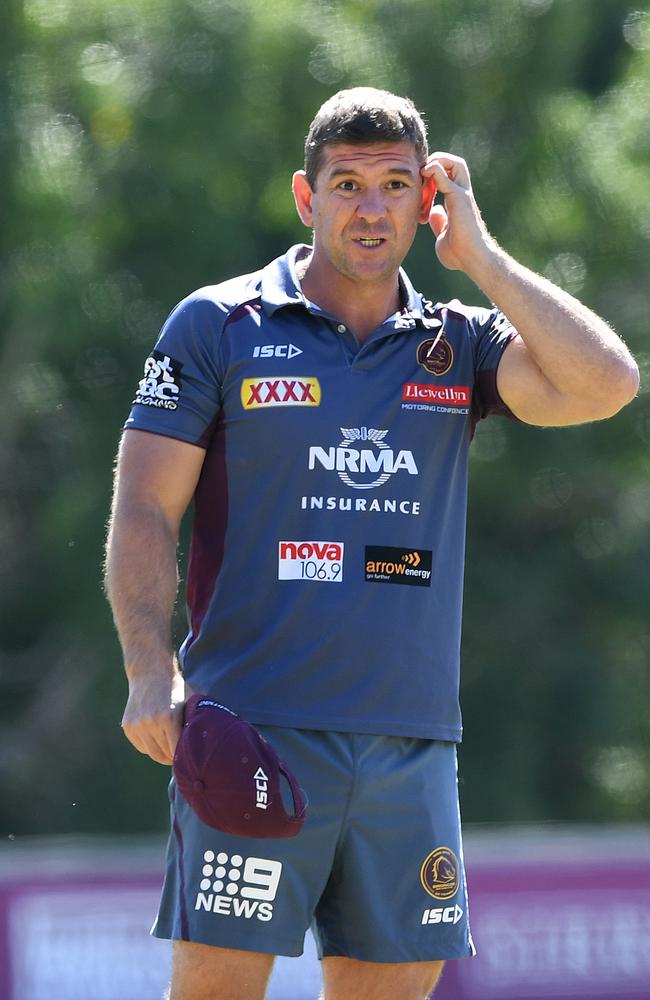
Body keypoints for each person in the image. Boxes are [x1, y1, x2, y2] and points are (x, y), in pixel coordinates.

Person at [104, 87, 639, 1000]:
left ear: (425, 200)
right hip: (251, 733)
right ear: (307, 199)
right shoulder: (219, 325)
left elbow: (608, 384)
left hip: (410, 746)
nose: (371, 207)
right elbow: (146, 505)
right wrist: (149, 668)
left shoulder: (456, 344)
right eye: (347, 184)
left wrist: (482, 258)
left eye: (396, 184)